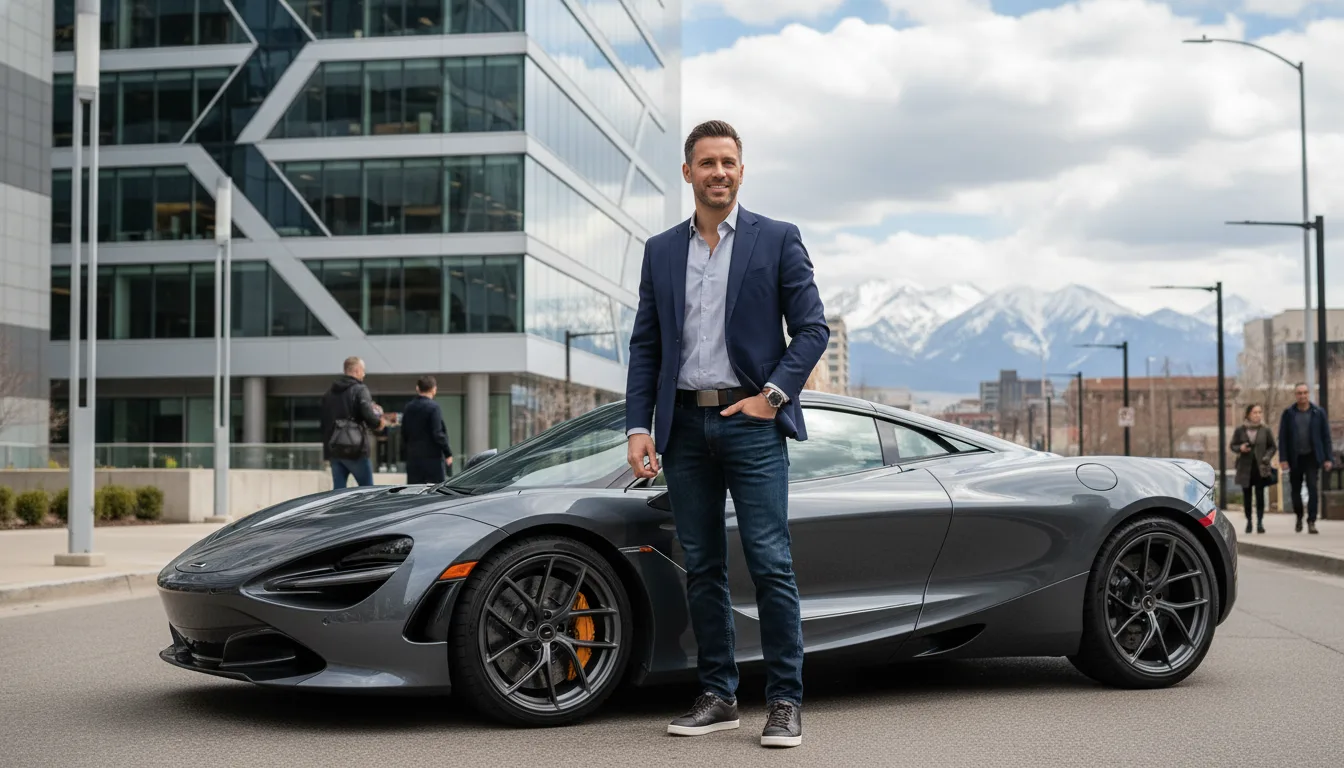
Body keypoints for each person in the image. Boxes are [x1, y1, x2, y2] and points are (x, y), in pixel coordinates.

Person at [624, 120, 829, 748]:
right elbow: (647, 345)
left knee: (770, 561)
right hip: (684, 426)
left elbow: (813, 330)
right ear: (688, 172)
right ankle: (718, 695)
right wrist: (638, 426)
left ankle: (786, 701)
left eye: (729, 162)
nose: (719, 172)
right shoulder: (661, 250)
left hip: (751, 423)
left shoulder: (778, 238)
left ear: (742, 170)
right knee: (703, 566)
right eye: (708, 163)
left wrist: (772, 397)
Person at [320, 356, 384, 488]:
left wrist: (327, 453)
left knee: (338, 492)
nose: (364, 374)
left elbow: (324, 423)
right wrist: (378, 424)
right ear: (356, 370)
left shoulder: (329, 393)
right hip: (356, 449)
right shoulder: (360, 389)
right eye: (363, 371)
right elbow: (367, 414)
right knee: (367, 490)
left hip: (335, 449)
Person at [1277, 383, 1333, 534]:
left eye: (1305, 393)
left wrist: (1328, 458)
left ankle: (1312, 521)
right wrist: (1283, 458)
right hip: (1295, 457)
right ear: (1296, 395)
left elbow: (1326, 437)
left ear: (1309, 394)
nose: (1302, 396)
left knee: (1312, 487)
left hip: (1312, 457)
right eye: (1299, 393)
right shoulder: (1288, 414)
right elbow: (1283, 438)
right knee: (1295, 490)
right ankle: (1299, 516)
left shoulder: (1318, 413)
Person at [1230, 404, 1276, 534]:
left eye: (1259, 412)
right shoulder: (1240, 430)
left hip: (1260, 467)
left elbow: (1272, 446)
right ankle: (1249, 521)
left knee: (1260, 495)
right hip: (1245, 468)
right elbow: (1233, 445)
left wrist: (1267, 457)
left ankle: (1260, 522)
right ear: (1248, 414)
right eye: (1255, 412)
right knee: (1247, 496)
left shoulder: (1265, 430)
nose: (1257, 415)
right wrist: (1240, 448)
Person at [401, 376, 453, 485]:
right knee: (436, 490)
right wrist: (448, 453)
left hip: (413, 458)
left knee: (414, 490)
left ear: (417, 388)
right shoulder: (434, 407)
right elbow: (438, 433)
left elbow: (404, 433)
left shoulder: (408, 407)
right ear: (434, 389)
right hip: (433, 458)